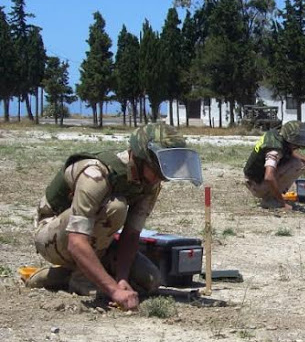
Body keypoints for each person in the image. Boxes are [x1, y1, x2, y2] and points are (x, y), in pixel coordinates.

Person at [27, 123, 203, 310]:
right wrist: (114, 291)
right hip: (52, 236)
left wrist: (122, 279)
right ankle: (80, 277)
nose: (161, 177)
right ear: (141, 158)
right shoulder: (96, 174)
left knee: (149, 281)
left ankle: (62, 276)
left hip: (96, 241)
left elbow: (131, 234)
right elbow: (76, 241)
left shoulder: (150, 183)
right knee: (116, 207)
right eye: (158, 169)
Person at [244, 121, 305, 209]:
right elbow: (269, 177)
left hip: (254, 179)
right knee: (297, 165)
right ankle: (270, 200)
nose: (300, 146)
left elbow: (290, 151)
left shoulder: (278, 135)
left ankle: (272, 196)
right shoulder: (274, 151)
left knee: (297, 161)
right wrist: (283, 203)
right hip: (256, 185)